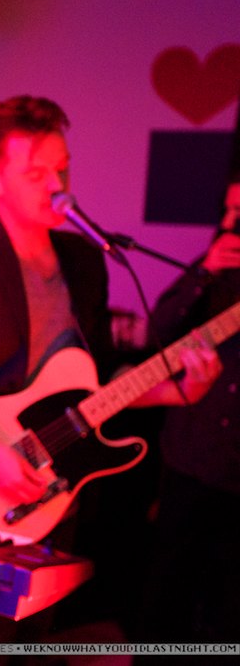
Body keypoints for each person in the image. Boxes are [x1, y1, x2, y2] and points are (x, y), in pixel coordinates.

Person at [0, 94, 221, 656]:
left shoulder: (84, 260)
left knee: (30, 643)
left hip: (56, 487)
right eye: (36, 173)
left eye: (62, 168)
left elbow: (94, 386)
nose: (58, 186)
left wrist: (176, 392)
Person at [137, 171, 240, 651]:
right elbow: (157, 335)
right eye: (228, 211)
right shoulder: (212, 270)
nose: (231, 223)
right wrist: (204, 272)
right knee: (167, 590)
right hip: (190, 459)